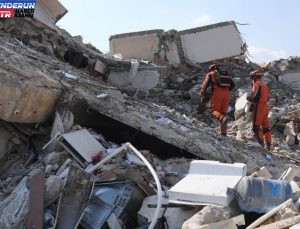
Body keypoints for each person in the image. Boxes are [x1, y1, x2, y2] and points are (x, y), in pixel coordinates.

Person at [200, 64, 235, 136]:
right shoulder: (225, 74)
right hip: (227, 93)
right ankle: (224, 133)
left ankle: (222, 119)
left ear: (211, 69)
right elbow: (233, 85)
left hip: (217, 92)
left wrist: (202, 93)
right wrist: (226, 91)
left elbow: (205, 85)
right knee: (223, 113)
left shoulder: (211, 73)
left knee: (213, 111)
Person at [247, 69, 272, 150]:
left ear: (254, 77)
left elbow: (255, 98)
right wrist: (252, 105)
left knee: (256, 127)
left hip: (259, 107)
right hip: (265, 107)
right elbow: (267, 99)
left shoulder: (257, 85)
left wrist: (248, 98)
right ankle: (268, 145)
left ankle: (261, 145)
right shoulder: (265, 86)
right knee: (266, 127)